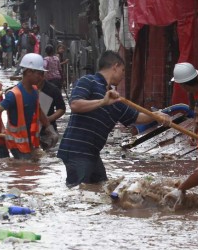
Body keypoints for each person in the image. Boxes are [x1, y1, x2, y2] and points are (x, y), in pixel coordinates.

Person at [57, 50, 170, 187]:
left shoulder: (116, 100)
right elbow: (75, 104)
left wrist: (158, 115)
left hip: (92, 152)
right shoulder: (88, 81)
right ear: (115, 67)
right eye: (123, 70)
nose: (123, 75)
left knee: (101, 188)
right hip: (76, 150)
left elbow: (137, 118)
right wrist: (102, 102)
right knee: (78, 192)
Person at [0, 53, 59, 159]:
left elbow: (39, 111)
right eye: (39, 73)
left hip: (29, 141)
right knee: (24, 169)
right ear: (28, 72)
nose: (42, 77)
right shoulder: (14, 94)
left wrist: (50, 129)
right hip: (16, 144)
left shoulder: (34, 91)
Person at [37, 73, 66, 148]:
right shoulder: (25, 89)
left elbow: (61, 108)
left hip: (47, 131)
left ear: (43, 76)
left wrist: (48, 119)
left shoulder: (53, 89)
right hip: (30, 131)